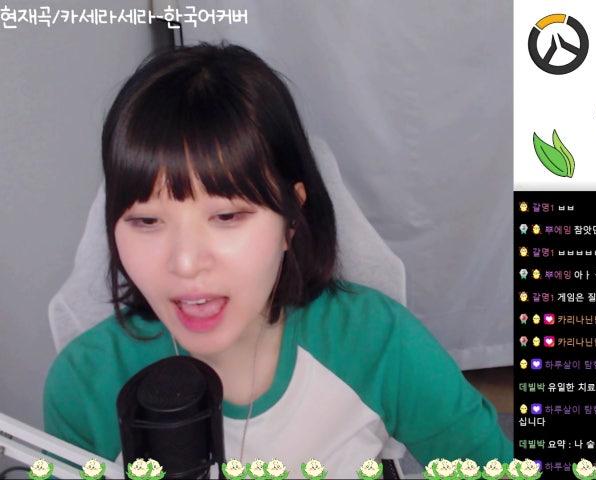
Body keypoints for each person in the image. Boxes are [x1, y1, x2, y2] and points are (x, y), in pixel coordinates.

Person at [43, 42, 512, 478]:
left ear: (290, 219)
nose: (185, 264)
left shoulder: (379, 344)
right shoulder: (85, 383)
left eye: (227, 216)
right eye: (147, 221)